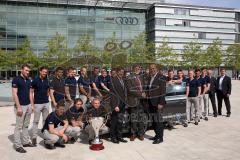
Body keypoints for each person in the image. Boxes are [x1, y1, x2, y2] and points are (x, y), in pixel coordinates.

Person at [12, 64, 35, 153]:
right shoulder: (16, 79)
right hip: (20, 106)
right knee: (18, 127)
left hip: (28, 105)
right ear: (21, 70)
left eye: (28, 71)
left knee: (26, 125)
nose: (27, 72)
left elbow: (30, 94)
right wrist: (18, 107)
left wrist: (32, 105)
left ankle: (25, 142)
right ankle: (17, 145)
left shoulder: (29, 80)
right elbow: (14, 94)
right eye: (26, 70)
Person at [30, 66, 50, 146]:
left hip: (46, 103)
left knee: (45, 121)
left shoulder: (47, 80)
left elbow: (48, 89)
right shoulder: (35, 80)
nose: (45, 73)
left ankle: (45, 136)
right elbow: (31, 92)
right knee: (36, 121)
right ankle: (34, 137)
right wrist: (32, 105)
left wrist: (47, 96)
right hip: (37, 104)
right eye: (44, 72)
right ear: (40, 72)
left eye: (46, 72)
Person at [126, 64, 146, 141]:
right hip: (133, 100)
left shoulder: (142, 77)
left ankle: (140, 134)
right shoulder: (129, 77)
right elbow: (130, 89)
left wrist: (145, 93)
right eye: (137, 68)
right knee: (133, 118)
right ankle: (133, 134)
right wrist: (141, 94)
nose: (138, 69)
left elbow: (144, 87)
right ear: (133, 69)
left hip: (142, 101)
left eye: (139, 68)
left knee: (141, 118)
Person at [147, 64, 166, 144]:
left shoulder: (161, 77)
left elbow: (163, 91)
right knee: (154, 121)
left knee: (158, 121)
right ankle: (157, 135)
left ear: (157, 68)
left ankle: (160, 138)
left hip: (158, 103)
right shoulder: (151, 77)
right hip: (151, 103)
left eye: (153, 68)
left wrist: (161, 103)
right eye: (151, 68)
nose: (152, 69)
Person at [109, 67, 128, 144]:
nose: (121, 73)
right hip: (116, 104)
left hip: (123, 104)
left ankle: (119, 137)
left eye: (122, 72)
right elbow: (112, 94)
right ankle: (113, 137)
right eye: (120, 72)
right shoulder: (113, 80)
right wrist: (115, 105)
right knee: (114, 121)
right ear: (117, 72)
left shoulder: (123, 80)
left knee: (120, 121)